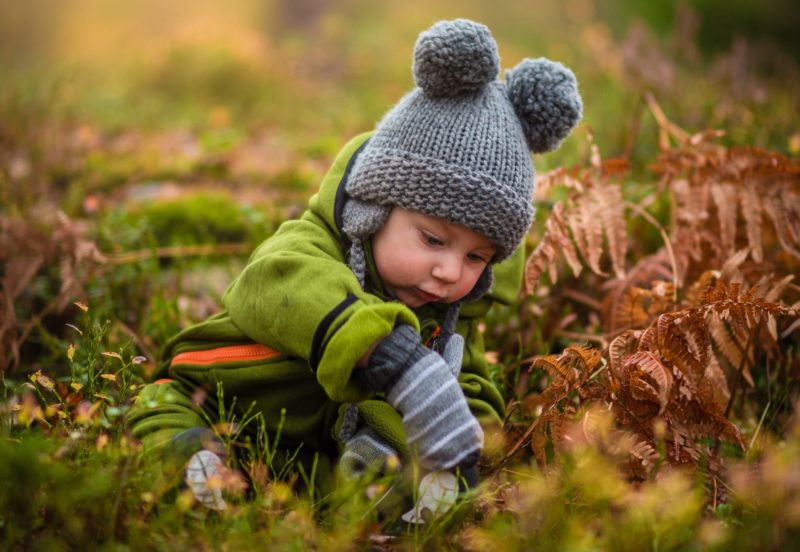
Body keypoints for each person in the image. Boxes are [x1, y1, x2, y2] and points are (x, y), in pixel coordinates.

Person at [127, 18, 582, 512]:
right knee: (166, 414)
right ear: (375, 209)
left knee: (389, 465)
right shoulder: (310, 247)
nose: (451, 272)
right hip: (215, 395)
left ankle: (371, 484)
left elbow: (469, 382)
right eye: (433, 240)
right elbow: (274, 282)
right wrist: (389, 354)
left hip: (306, 451)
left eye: (476, 257)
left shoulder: (448, 315)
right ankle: (193, 465)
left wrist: (460, 443)